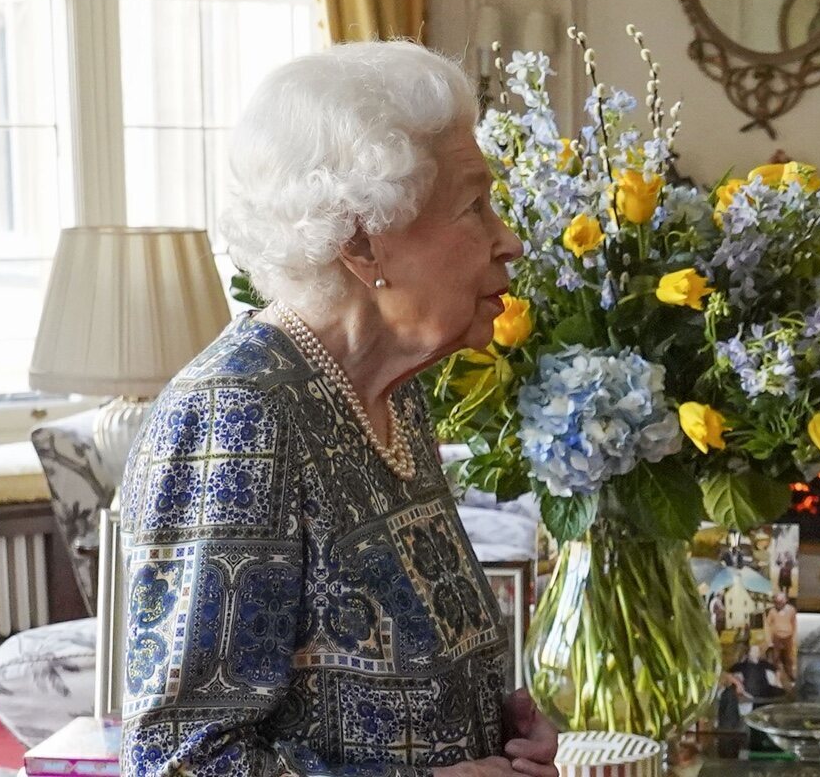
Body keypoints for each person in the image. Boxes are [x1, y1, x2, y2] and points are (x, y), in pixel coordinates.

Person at [119, 41, 560, 777]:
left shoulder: (389, 393)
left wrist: (496, 726)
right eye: (474, 206)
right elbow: (182, 762)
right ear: (363, 241)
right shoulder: (239, 418)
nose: (507, 241)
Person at [764, 591, 798, 684]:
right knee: (775, 658)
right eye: (777, 601)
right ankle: (776, 679)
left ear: (785, 600)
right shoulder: (772, 611)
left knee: (788, 658)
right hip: (777, 638)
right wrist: (769, 640)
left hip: (788, 638)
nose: (778, 603)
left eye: (781, 601)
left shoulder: (791, 610)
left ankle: (790, 676)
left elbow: (794, 623)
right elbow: (767, 624)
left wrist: (794, 637)